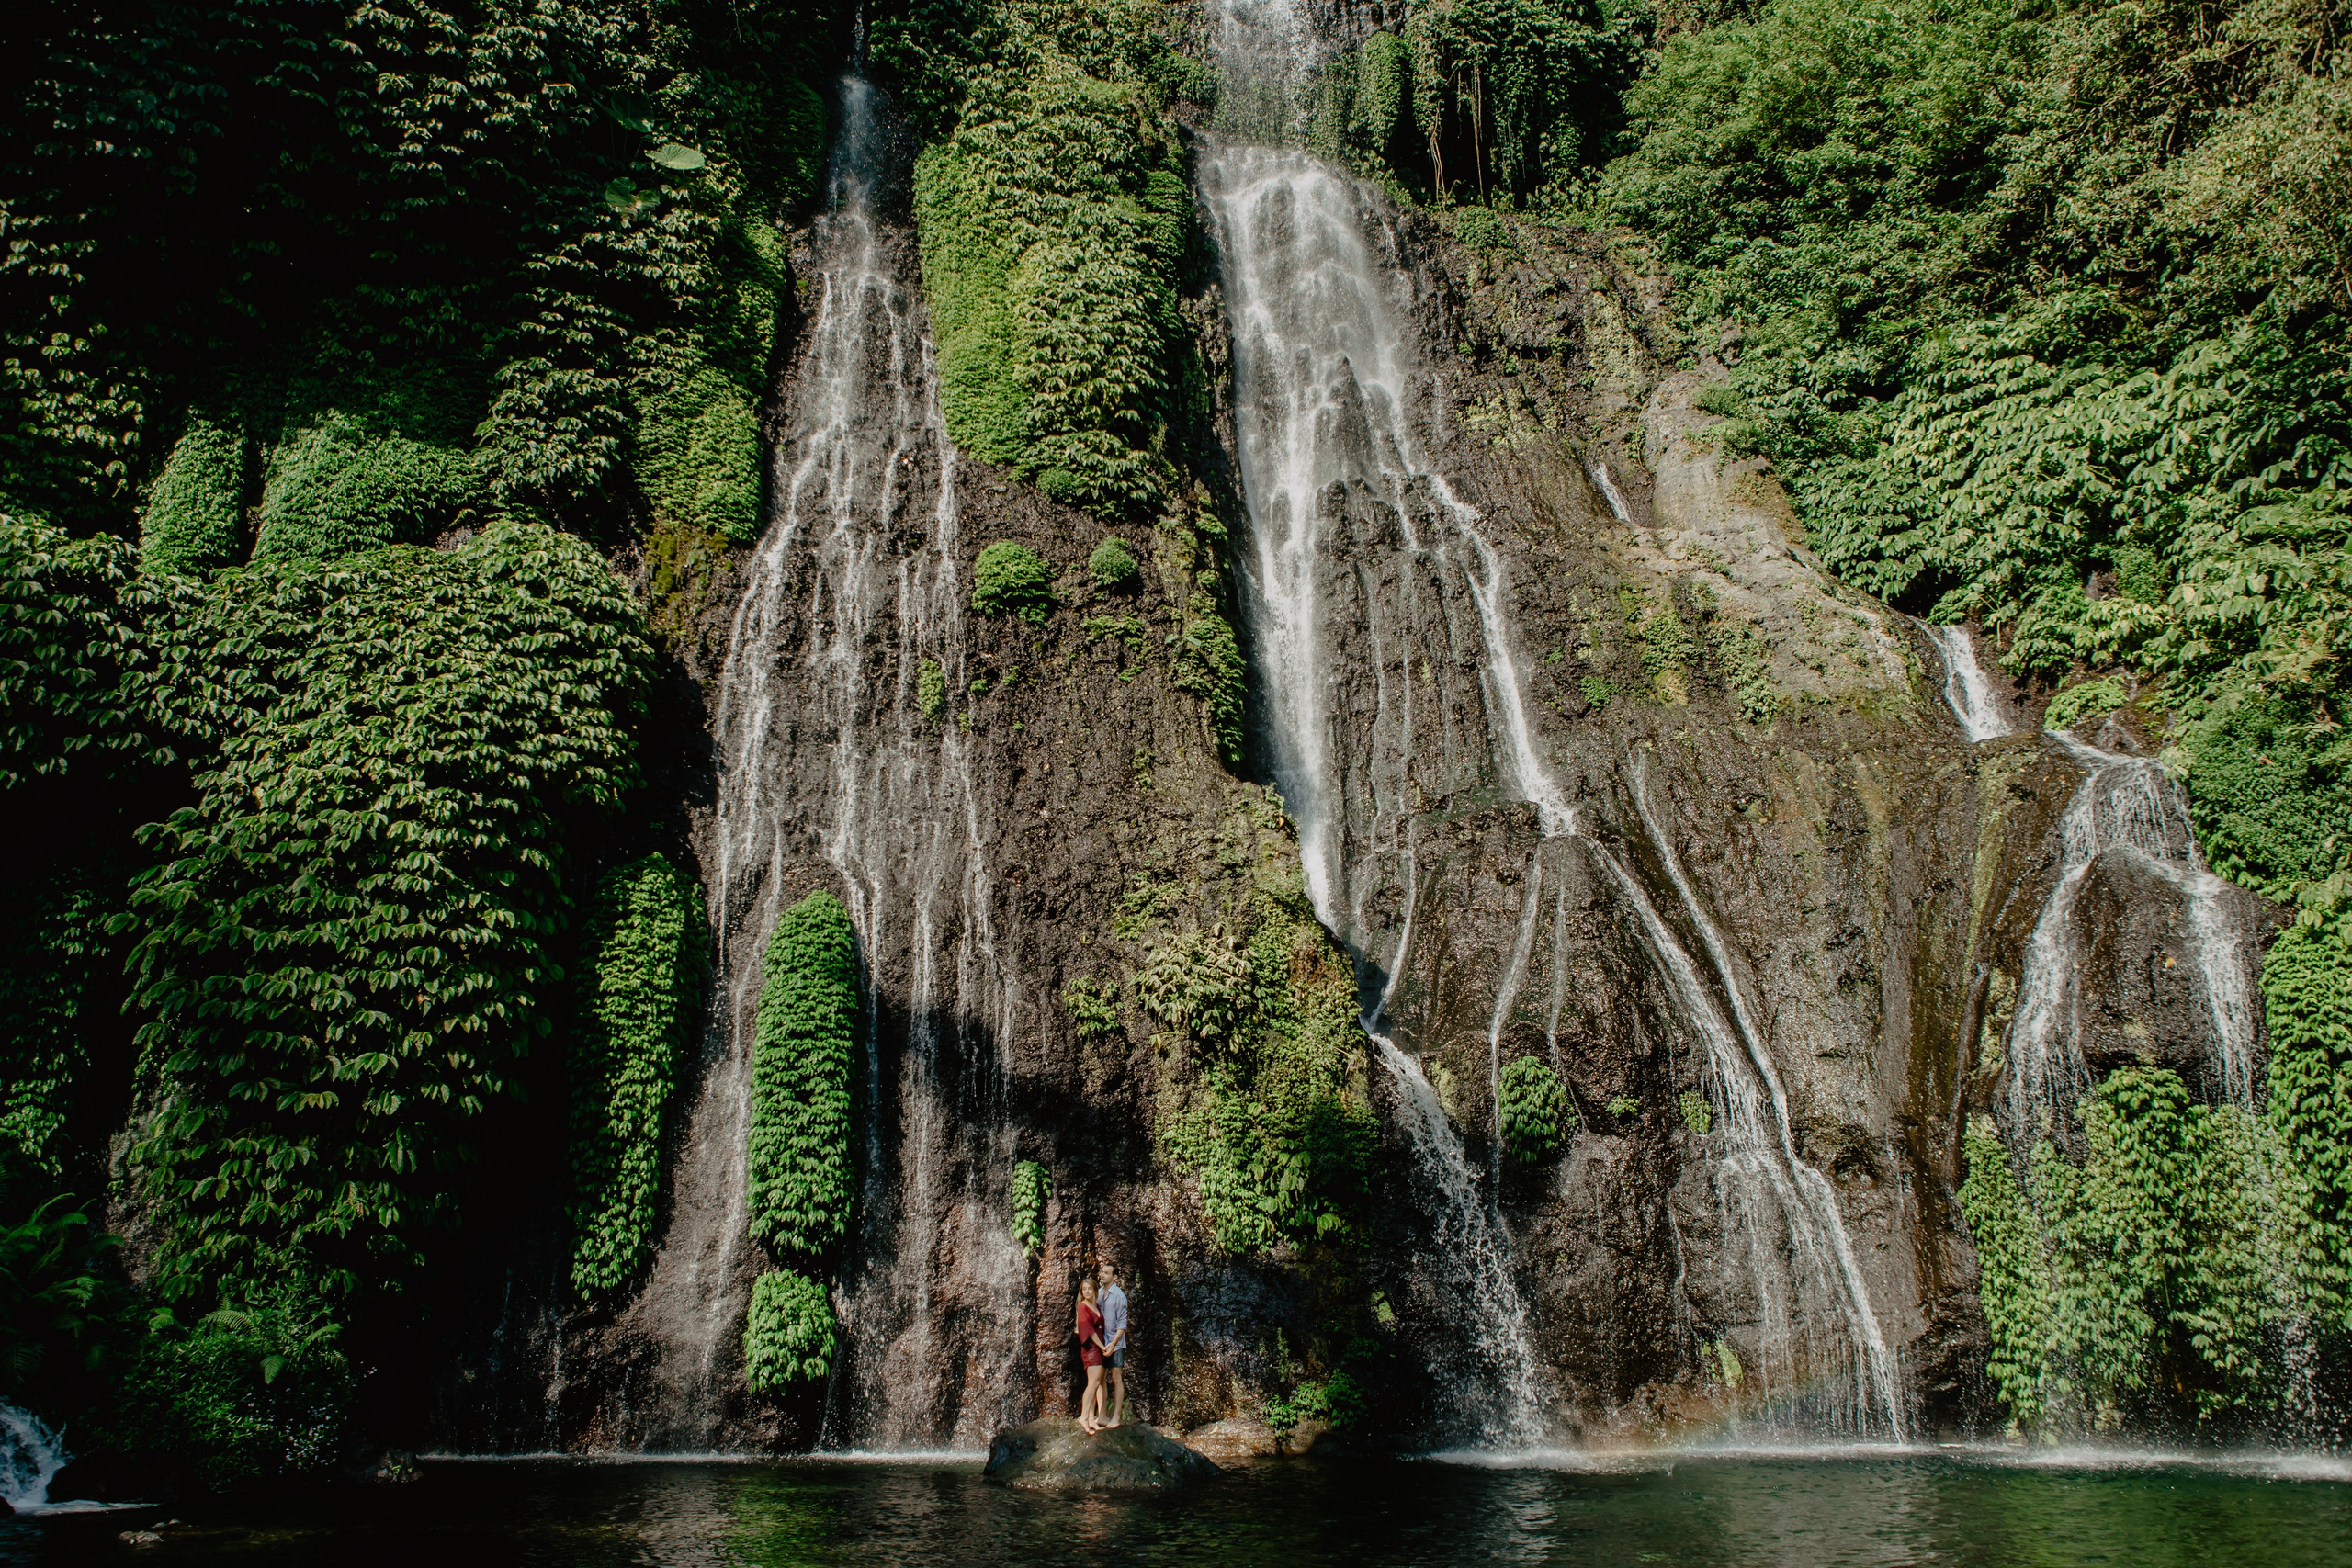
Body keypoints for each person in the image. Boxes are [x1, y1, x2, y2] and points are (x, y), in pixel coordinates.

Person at [1097, 1259, 1129, 1430]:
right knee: (1100, 1377)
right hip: (1101, 1342)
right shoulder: (1099, 1293)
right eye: (1102, 1272)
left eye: (1106, 1273)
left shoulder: (1119, 1296)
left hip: (1115, 1344)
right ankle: (1102, 1415)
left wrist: (1113, 1343)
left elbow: (1122, 1325)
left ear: (1114, 1277)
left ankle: (1116, 1417)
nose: (1102, 1275)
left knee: (1116, 1378)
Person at [1074, 1276, 1108, 1434]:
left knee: (1095, 1382)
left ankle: (1091, 1417)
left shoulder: (1096, 1306)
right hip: (1092, 1348)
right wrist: (1101, 1346)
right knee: (1093, 1382)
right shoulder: (1083, 1306)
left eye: (1089, 1288)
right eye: (1084, 1289)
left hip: (1099, 1347)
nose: (1087, 1291)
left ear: (1095, 1290)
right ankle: (1083, 1417)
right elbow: (1088, 1329)